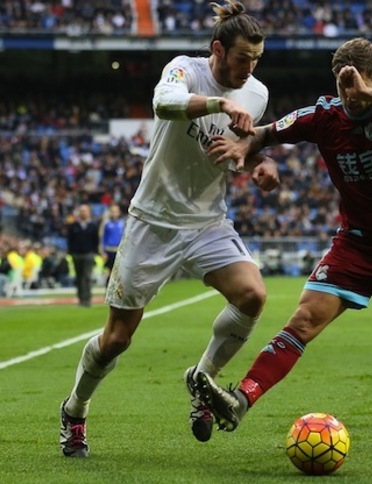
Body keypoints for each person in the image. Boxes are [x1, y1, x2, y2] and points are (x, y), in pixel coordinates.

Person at [193, 37, 372, 447]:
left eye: (358, 85)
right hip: (358, 244)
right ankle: (241, 399)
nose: (350, 96)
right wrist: (244, 144)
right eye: (344, 86)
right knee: (303, 320)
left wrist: (367, 92)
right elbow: (268, 133)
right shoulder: (324, 115)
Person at [59, 0, 279, 458]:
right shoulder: (185, 69)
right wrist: (220, 102)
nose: (249, 69)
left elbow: (244, 145)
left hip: (207, 222)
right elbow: (164, 104)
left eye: (257, 60)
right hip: (153, 221)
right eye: (243, 59)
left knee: (253, 296)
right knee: (117, 338)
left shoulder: (256, 92)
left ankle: (204, 383)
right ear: (218, 49)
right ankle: (75, 411)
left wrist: (260, 163)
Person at [66, 204, 100, 306]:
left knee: (87, 277)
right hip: (76, 255)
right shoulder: (73, 226)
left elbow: (96, 241)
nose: (83, 213)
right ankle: (81, 298)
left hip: (88, 254)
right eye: (81, 211)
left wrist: (94, 252)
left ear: (89, 213)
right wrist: (71, 253)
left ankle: (87, 299)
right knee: (79, 277)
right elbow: (70, 240)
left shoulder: (93, 226)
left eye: (85, 211)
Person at [100, 204, 125, 286]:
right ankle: (107, 290)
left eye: (116, 211)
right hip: (109, 250)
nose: (114, 213)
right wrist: (103, 251)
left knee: (119, 273)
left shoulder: (123, 223)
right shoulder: (107, 224)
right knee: (110, 272)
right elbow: (104, 238)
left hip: (119, 251)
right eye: (112, 211)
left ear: (119, 212)